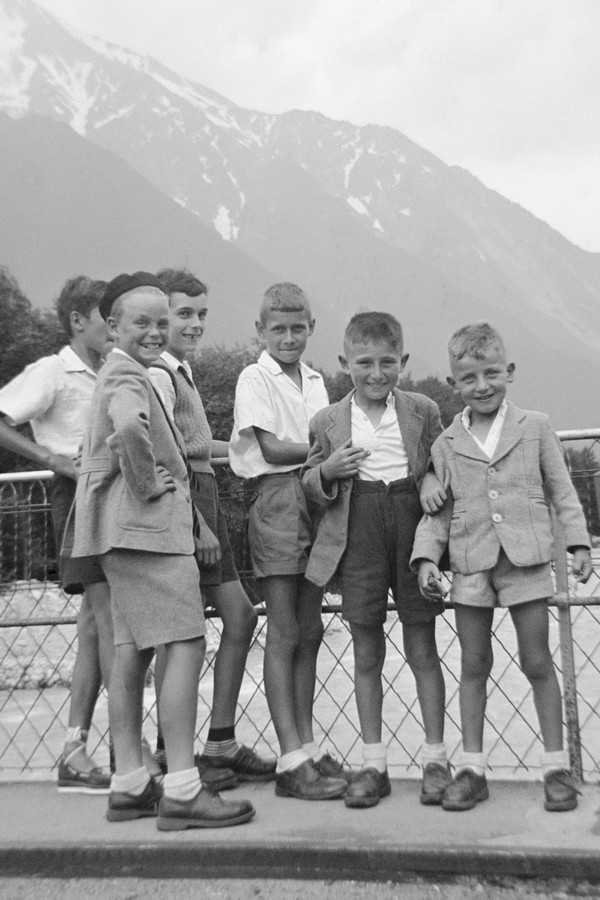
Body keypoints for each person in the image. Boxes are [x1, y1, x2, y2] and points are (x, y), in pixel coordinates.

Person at [71, 272, 254, 829]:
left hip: (115, 535)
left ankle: (130, 782)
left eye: (161, 322)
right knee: (185, 644)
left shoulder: (119, 369)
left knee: (130, 648)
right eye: (141, 323)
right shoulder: (129, 374)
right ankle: (182, 788)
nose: (155, 332)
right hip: (146, 531)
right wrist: (152, 486)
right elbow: (129, 427)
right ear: (114, 326)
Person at [412, 321, 592, 812]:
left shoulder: (535, 426)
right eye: (469, 379)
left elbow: (562, 491)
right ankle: (472, 769)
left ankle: (556, 769)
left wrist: (578, 544)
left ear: (509, 371)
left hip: (528, 562)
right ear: (454, 386)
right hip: (471, 566)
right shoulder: (447, 443)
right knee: (473, 665)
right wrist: (427, 557)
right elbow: (438, 512)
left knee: (537, 662)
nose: (483, 386)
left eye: (492, 373)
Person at [302, 311, 449, 809]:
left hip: (411, 527)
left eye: (388, 362)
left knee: (422, 645)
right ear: (344, 363)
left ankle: (435, 759)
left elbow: (439, 463)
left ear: (403, 362)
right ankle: (374, 763)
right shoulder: (326, 419)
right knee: (366, 650)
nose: (376, 373)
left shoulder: (423, 410)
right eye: (364, 362)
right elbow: (309, 484)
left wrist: (430, 477)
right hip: (357, 531)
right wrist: (327, 469)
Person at [148, 267, 275, 788]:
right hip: (187, 504)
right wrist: (196, 521)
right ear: (161, 318)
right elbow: (167, 457)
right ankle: (166, 752)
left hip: (204, 493)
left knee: (238, 618)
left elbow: (199, 446)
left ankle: (218, 742)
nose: (196, 324)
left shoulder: (182, 371)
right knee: (179, 633)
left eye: (202, 314)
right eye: (184, 314)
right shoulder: (157, 373)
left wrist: (265, 450)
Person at [229, 283, 347, 801]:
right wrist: (331, 450)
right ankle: (289, 759)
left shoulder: (318, 381)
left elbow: (320, 445)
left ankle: (305, 745)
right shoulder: (254, 377)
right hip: (277, 500)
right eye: (278, 328)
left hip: (317, 497)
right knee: (282, 630)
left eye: (299, 328)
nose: (289, 337)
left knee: (311, 628)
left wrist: (328, 461)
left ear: (312, 328)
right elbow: (273, 448)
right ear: (261, 331)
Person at [0, 276, 114, 793]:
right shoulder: (52, 370)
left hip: (116, 497)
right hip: (78, 500)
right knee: (104, 618)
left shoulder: (113, 368)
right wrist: (49, 458)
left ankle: (77, 748)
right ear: (77, 321)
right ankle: (121, 751)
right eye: (105, 318)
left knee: (94, 622)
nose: (113, 327)